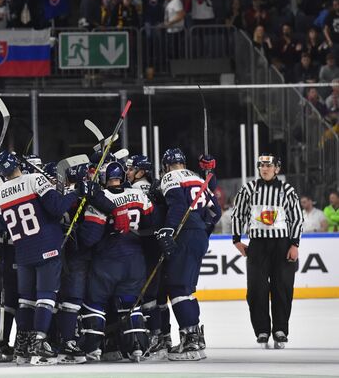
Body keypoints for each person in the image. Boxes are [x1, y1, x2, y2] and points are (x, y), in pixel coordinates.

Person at [0, 150, 87, 365]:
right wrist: (76, 193)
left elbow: (2, 226)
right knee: (46, 296)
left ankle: (24, 346)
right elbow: (56, 208)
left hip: (22, 251)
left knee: (26, 300)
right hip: (46, 245)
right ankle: (40, 342)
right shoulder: (34, 179)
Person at [79, 161, 157, 362]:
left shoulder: (101, 198)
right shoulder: (140, 196)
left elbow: (90, 238)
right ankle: (137, 347)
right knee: (130, 303)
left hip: (108, 259)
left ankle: (94, 348)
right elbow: (151, 225)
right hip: (135, 260)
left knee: (95, 302)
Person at [231, 153, 303, 349]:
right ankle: (262, 330)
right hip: (257, 245)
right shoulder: (249, 189)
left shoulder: (287, 189)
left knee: (282, 288)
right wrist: (237, 240)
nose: (264, 169)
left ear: (277, 169)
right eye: (261, 165)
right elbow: (238, 214)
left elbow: (296, 217)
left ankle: (280, 329)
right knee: (256, 289)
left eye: (268, 166)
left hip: (282, 245)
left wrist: (295, 244)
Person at [157, 148, 220, 361]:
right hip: (199, 235)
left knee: (178, 288)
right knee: (187, 288)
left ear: (166, 164)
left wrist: (168, 229)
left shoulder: (169, 177)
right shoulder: (196, 177)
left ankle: (191, 341)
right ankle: (195, 338)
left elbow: (178, 206)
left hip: (183, 235)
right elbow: (216, 212)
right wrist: (203, 229)